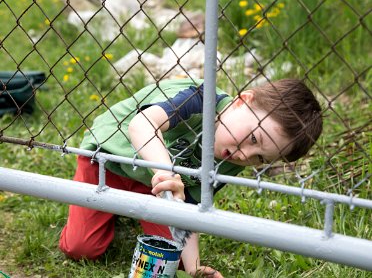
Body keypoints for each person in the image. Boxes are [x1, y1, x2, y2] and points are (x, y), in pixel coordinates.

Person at [59, 78, 323, 277]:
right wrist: (165, 172)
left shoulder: (232, 163)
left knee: (175, 262)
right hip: (108, 161)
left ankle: (128, 207)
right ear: (243, 100)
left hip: (153, 189)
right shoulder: (199, 99)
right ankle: (107, 207)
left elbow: (189, 207)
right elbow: (142, 125)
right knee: (83, 249)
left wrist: (194, 267)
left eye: (260, 158)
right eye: (253, 138)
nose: (245, 155)